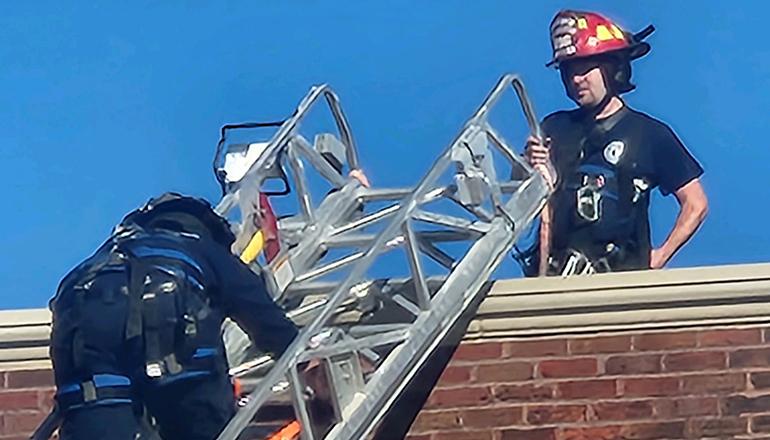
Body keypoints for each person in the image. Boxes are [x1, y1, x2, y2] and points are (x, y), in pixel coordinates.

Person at [48, 192, 299, 440]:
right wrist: (306, 361)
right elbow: (266, 320)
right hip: (182, 381)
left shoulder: (90, 269)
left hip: (93, 396)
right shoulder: (203, 250)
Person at [524, 9, 708, 275]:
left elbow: (696, 203)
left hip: (619, 288)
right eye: (569, 71)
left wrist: (658, 258)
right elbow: (519, 204)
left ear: (613, 69)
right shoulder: (554, 128)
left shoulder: (649, 134)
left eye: (585, 68)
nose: (576, 79)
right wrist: (529, 168)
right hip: (551, 284)